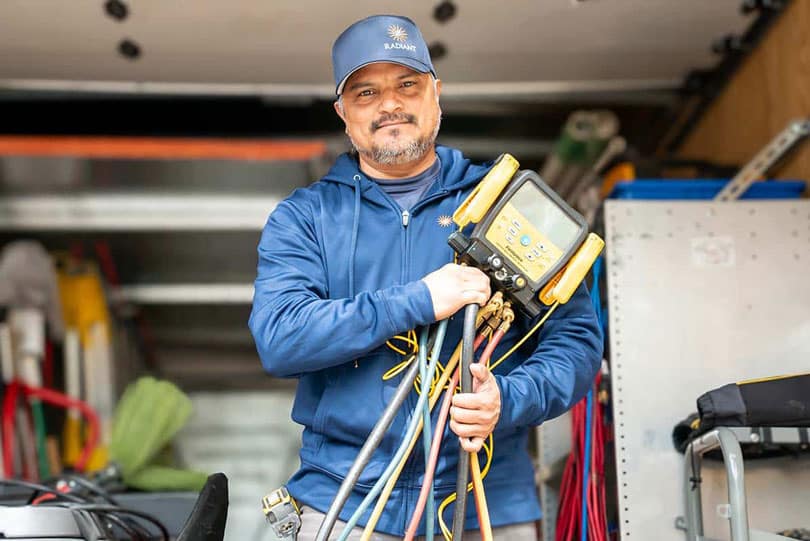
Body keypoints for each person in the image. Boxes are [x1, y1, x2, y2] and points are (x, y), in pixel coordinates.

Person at [249, 14, 603, 540]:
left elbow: (575, 343)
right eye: (366, 92)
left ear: (436, 94)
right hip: (345, 503)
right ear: (344, 113)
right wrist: (418, 300)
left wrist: (508, 397)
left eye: (407, 85)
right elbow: (281, 337)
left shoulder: (509, 204)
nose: (390, 104)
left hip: (486, 501)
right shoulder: (306, 218)